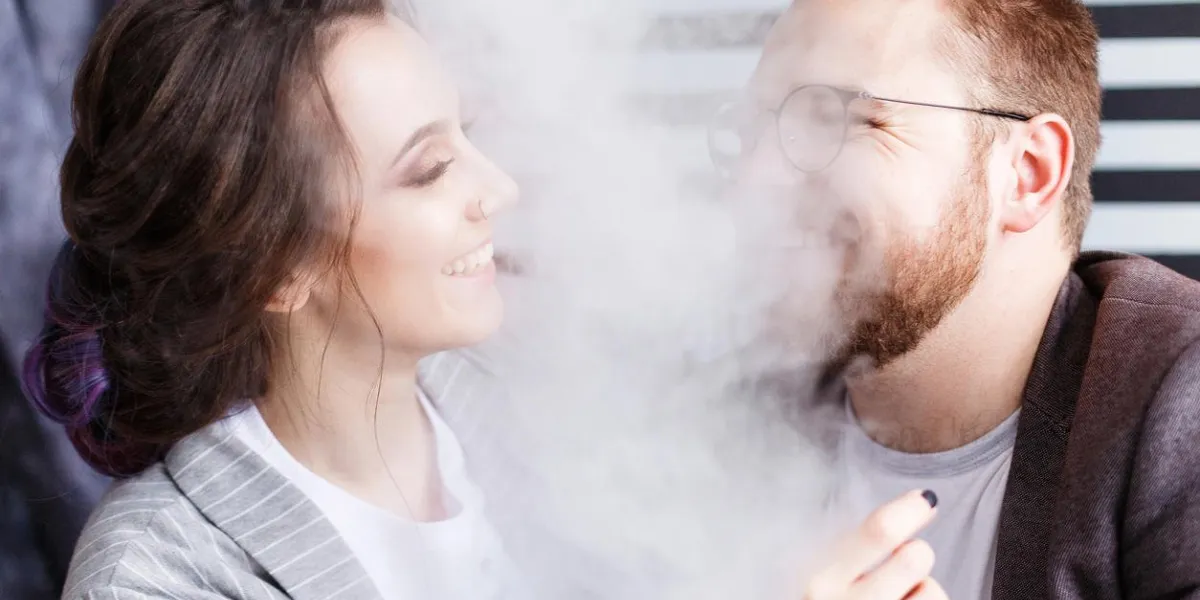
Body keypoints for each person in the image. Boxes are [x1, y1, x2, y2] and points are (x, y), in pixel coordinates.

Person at [21, 0, 519, 598]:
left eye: (465, 133)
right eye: (431, 169)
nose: (501, 189)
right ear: (275, 264)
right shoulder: (151, 578)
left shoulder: (516, 399)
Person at [710, 0, 1200, 599]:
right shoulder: (726, 406)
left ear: (1028, 173)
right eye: (751, 133)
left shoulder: (1182, 397)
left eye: (833, 118)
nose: (755, 181)